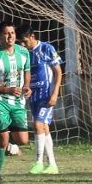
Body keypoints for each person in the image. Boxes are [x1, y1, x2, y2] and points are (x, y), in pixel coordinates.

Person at [0, 20, 31, 184]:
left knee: (23, 140)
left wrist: (27, 87)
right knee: (4, 141)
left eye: (13, 33)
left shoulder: (23, 52)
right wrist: (6, 89)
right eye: (6, 33)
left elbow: (27, 71)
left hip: (17, 101)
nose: (10, 36)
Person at [17, 25, 62, 175]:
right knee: (44, 128)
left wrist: (55, 93)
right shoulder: (24, 53)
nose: (22, 44)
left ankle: (38, 162)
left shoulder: (46, 48)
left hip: (46, 94)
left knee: (37, 125)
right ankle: (53, 165)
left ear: (32, 36)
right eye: (20, 42)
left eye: (24, 41)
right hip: (33, 94)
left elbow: (58, 72)